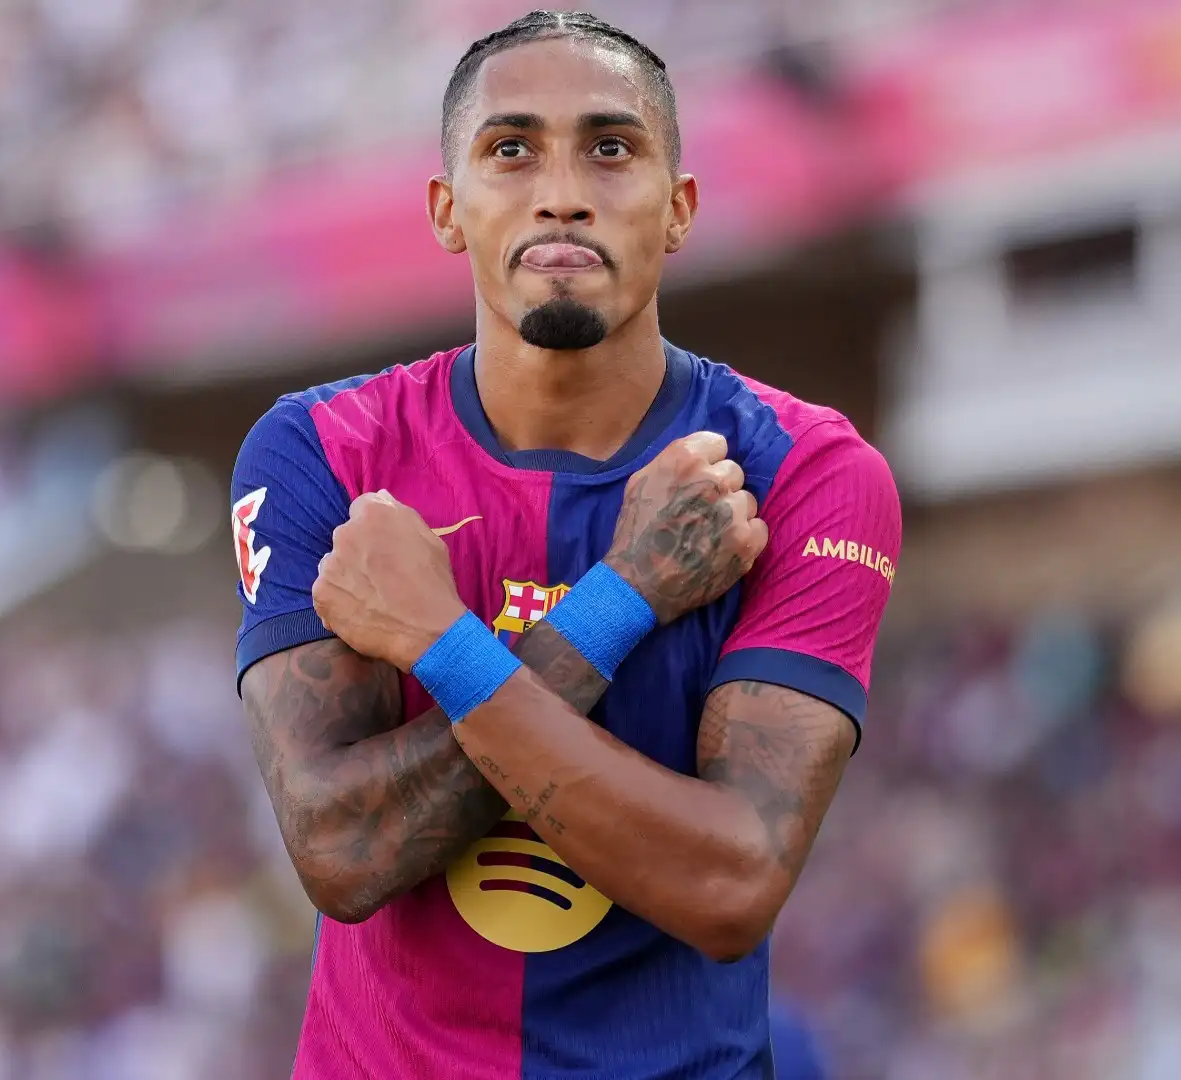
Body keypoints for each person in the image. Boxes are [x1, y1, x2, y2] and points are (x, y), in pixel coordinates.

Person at [229, 10, 900, 1078]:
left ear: (679, 210)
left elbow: (730, 887)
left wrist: (440, 641)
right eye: (511, 150)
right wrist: (623, 596)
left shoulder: (805, 474)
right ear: (447, 210)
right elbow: (341, 851)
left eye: (611, 148)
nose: (562, 193)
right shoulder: (323, 453)